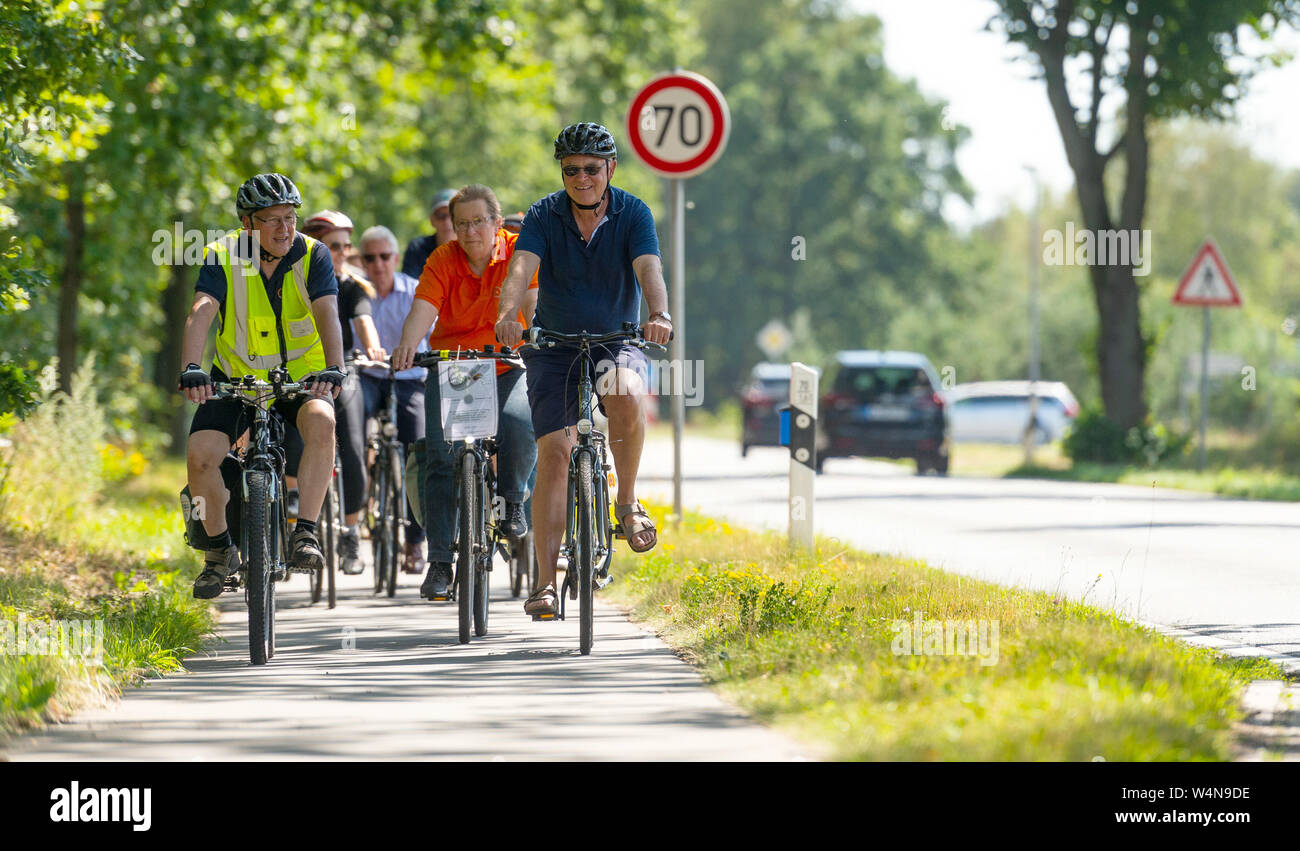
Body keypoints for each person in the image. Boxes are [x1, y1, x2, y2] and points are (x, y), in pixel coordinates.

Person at [493, 123, 672, 618]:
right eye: (571, 170)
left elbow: (648, 270)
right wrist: (509, 316)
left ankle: (627, 503)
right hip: (554, 345)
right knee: (553, 450)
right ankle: (544, 583)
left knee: (627, 390)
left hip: (616, 338)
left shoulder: (633, 212)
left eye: (592, 169)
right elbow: (520, 269)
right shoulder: (544, 214)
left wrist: (658, 314)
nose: (581, 178)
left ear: (610, 169)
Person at [178, 173, 345, 599]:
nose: (285, 228)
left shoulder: (314, 254)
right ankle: (218, 553)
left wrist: (334, 368)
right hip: (236, 379)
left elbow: (327, 312)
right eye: (272, 220)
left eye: (290, 217)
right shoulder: (222, 255)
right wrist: (192, 366)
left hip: (301, 379)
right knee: (201, 457)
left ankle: (304, 532)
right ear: (247, 224)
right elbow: (202, 309)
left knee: (322, 423)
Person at [392, 184, 539, 600]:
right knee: (441, 455)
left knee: (516, 422)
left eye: (479, 221)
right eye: (461, 224)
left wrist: (534, 333)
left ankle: (512, 501)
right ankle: (440, 562)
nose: (470, 231)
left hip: (508, 360)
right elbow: (424, 304)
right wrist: (408, 345)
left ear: (497, 221)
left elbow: (531, 296)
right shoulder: (443, 258)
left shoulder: (519, 250)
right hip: (455, 366)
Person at [301, 210, 387, 574]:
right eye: (334, 246)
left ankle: (351, 532)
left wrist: (375, 348)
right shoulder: (294, 282)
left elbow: (363, 320)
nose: (342, 253)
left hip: (343, 369)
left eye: (346, 246)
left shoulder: (351, 286)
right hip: (300, 371)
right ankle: (294, 517)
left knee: (353, 444)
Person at [357, 225, 430, 574]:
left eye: (384, 256)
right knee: (350, 427)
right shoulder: (355, 293)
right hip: (369, 377)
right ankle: (352, 516)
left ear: (396, 258)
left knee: (418, 449)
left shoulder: (416, 291)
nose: (378, 264)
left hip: (410, 379)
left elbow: (434, 334)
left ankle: (415, 542)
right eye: (369, 258)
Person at [401, 188, 457, 279]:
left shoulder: (473, 248)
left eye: (452, 215)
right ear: (431, 220)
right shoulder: (417, 248)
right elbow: (410, 287)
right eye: (441, 216)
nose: (447, 221)